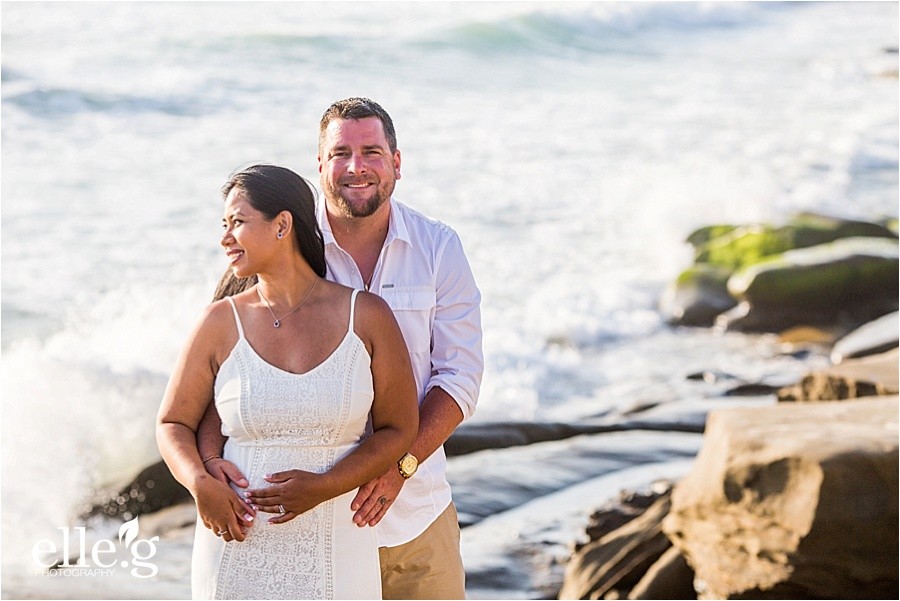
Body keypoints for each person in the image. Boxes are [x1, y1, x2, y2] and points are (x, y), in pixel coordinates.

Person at [200, 97, 484, 599]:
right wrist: (206, 465)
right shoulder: (280, 244)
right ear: (320, 166)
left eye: (372, 151)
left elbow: (458, 377)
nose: (356, 167)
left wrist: (400, 466)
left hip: (415, 514)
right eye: (340, 153)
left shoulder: (439, 248)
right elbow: (219, 366)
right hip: (303, 528)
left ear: (397, 162)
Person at [156, 164, 418, 599]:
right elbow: (172, 423)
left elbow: (399, 429)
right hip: (236, 542)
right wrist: (199, 483)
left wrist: (324, 487)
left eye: (237, 222)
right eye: (223, 225)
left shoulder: (367, 315)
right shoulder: (220, 322)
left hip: (337, 539)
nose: (224, 238)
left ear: (282, 225)